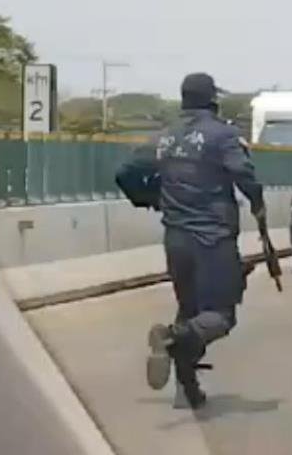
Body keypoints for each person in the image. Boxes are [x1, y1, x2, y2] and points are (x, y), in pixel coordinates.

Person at [116, 72, 266, 409]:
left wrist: (149, 198)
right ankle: (171, 339)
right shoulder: (222, 134)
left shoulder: (164, 137)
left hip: (176, 238)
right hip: (213, 238)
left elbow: (124, 172)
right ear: (213, 99)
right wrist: (257, 202)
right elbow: (242, 173)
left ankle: (188, 390)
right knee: (220, 316)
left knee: (189, 310)